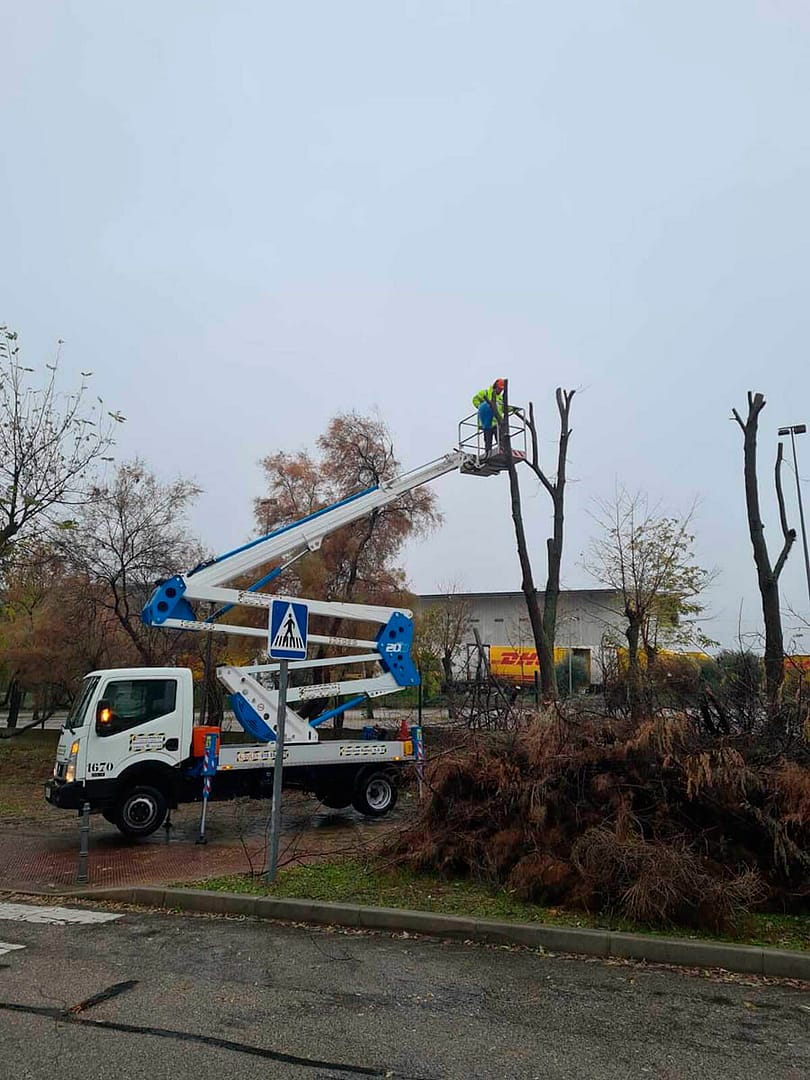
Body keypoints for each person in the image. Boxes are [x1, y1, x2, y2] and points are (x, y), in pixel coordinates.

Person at [472, 378, 508, 456]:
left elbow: (503, 409)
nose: (500, 391)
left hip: (496, 422)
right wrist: (481, 407)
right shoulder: (485, 393)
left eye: (501, 389)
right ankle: (488, 453)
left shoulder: (500, 398)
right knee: (488, 440)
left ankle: (503, 450)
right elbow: (475, 400)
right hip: (487, 422)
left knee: (500, 437)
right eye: (499, 388)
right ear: (495, 386)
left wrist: (513, 409)